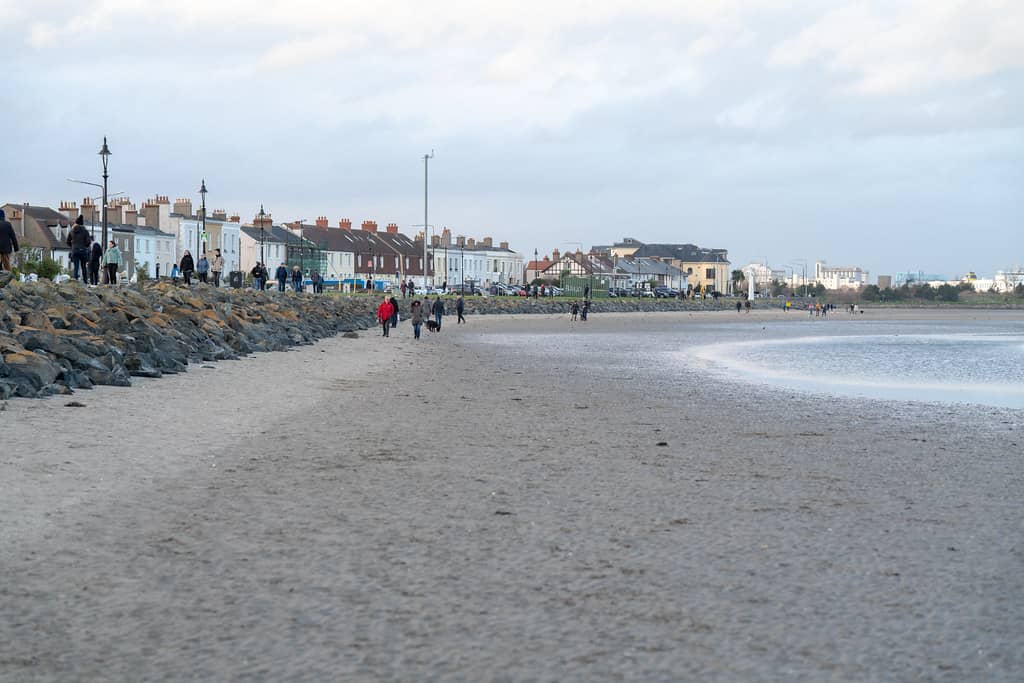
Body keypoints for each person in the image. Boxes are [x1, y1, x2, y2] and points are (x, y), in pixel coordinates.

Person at [66, 215, 91, 282]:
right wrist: (85, 246)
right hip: (83, 251)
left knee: (76, 267)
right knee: (83, 267)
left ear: (76, 223)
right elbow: (88, 242)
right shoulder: (85, 231)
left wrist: (72, 246)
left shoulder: (72, 231)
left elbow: (68, 241)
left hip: (75, 250)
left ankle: (75, 280)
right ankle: (85, 281)